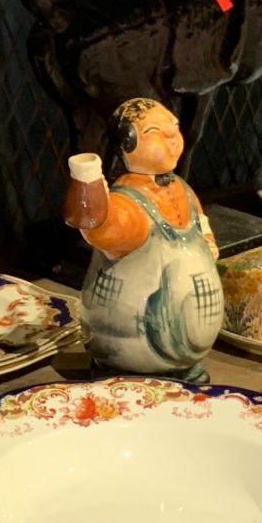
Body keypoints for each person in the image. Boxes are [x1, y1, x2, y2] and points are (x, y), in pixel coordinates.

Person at [62, 98, 222, 380]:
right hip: (128, 348)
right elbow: (95, 224)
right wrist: (87, 178)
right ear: (128, 143)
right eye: (154, 132)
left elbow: (200, 218)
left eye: (174, 127)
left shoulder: (181, 188)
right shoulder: (129, 204)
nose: (172, 137)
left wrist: (207, 239)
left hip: (190, 344)